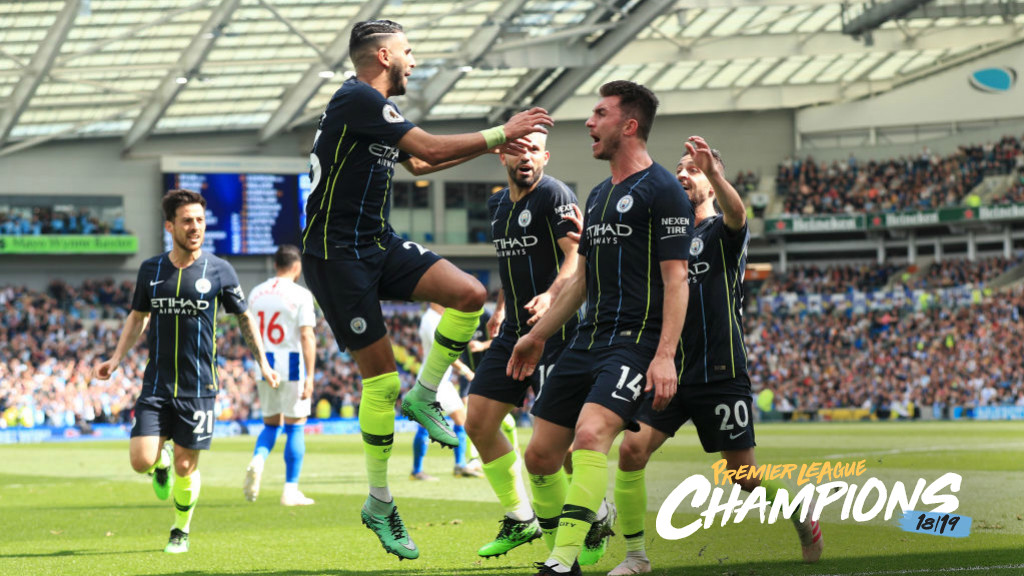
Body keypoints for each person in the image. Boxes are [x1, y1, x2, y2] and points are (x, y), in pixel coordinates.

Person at [299, 19, 552, 560]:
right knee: (380, 384)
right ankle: (379, 501)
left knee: (468, 293)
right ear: (383, 55)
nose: (413, 62)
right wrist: (501, 133)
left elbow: (417, 162)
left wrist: (485, 147)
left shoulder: (368, 109)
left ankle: (425, 394)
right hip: (336, 257)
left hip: (375, 242)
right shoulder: (359, 99)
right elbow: (430, 150)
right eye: (409, 52)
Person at [607, 138, 823, 576]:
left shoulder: (722, 232)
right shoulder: (665, 242)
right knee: (631, 450)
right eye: (680, 169)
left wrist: (716, 173)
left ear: (710, 182)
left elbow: (738, 214)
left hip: (721, 371)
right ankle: (636, 558)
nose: (683, 174)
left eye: (694, 170)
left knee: (743, 477)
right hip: (671, 371)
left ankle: (799, 511)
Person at [508, 80, 693, 576]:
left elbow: (677, 279)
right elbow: (581, 280)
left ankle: (561, 561)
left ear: (629, 126)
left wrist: (665, 355)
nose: (589, 122)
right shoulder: (598, 194)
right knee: (540, 457)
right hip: (588, 338)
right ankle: (583, 534)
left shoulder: (663, 190)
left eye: (600, 114)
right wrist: (537, 335)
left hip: (636, 341)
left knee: (590, 436)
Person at [91, 189, 279, 554]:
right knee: (141, 461)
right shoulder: (151, 270)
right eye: (187, 221)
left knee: (185, 465)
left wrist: (264, 363)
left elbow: (244, 318)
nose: (195, 227)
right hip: (157, 384)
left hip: (199, 387)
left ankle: (180, 530)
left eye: (200, 220)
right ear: (170, 226)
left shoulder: (220, 270)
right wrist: (115, 359)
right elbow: (138, 317)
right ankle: (158, 463)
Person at [462, 131, 582, 558]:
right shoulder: (497, 205)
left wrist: (551, 295)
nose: (526, 156)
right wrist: (499, 308)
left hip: (557, 331)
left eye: (534, 149)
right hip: (513, 329)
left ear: (545, 156)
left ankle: (590, 517)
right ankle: (520, 518)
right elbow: (509, 264)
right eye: (518, 149)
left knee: (560, 448)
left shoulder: (554, 195)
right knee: (478, 422)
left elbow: (575, 257)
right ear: (502, 156)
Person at [243, 244, 317, 506]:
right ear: (297, 267)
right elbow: (307, 335)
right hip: (292, 365)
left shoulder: (255, 293)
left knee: (271, 424)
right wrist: (310, 376)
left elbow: (248, 330)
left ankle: (258, 459)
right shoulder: (301, 295)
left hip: (264, 366)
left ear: (275, 265)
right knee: (295, 425)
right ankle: (290, 490)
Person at [409, 302, 483, 481]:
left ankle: (460, 465)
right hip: (431, 381)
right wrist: (466, 370)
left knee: (461, 419)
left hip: (442, 381)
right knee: (425, 424)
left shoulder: (438, 319)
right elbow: (443, 352)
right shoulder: (431, 320)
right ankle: (417, 471)